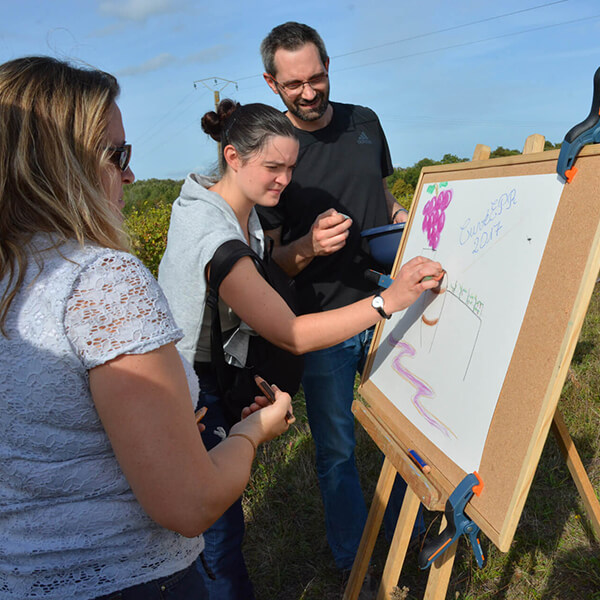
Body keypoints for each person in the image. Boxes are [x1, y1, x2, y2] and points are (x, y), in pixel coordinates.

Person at [0, 56, 293, 600]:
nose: (130, 175)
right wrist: (254, 432)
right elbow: (189, 504)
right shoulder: (101, 280)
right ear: (55, 164)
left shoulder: (14, 273)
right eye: (117, 155)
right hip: (129, 579)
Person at [157, 100, 442, 598]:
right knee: (216, 537)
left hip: (215, 382)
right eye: (273, 167)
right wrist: (388, 301)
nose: (284, 180)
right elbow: (291, 332)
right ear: (233, 157)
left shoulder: (229, 210)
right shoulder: (214, 235)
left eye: (291, 167)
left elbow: (236, 318)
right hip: (193, 396)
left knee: (224, 529)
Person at [257, 21, 418, 577]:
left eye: (317, 77)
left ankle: (413, 537)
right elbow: (271, 261)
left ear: (329, 68)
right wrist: (308, 244)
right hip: (322, 321)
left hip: (391, 302)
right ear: (271, 83)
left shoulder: (364, 121)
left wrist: (400, 216)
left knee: (409, 433)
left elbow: (380, 190)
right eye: (294, 83)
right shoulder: (273, 148)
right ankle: (357, 561)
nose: (309, 91)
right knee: (338, 451)